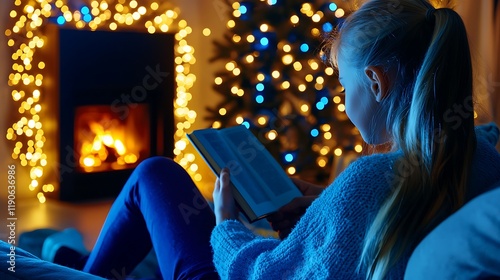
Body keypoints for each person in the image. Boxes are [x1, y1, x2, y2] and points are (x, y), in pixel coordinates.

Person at [21, 0, 500, 279]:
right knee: (155, 179)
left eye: (346, 86)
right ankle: (74, 259)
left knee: (154, 173)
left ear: (376, 83)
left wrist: (227, 224)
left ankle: (77, 267)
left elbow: (261, 273)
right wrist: (322, 201)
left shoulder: (367, 181)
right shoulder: (484, 158)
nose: (345, 101)